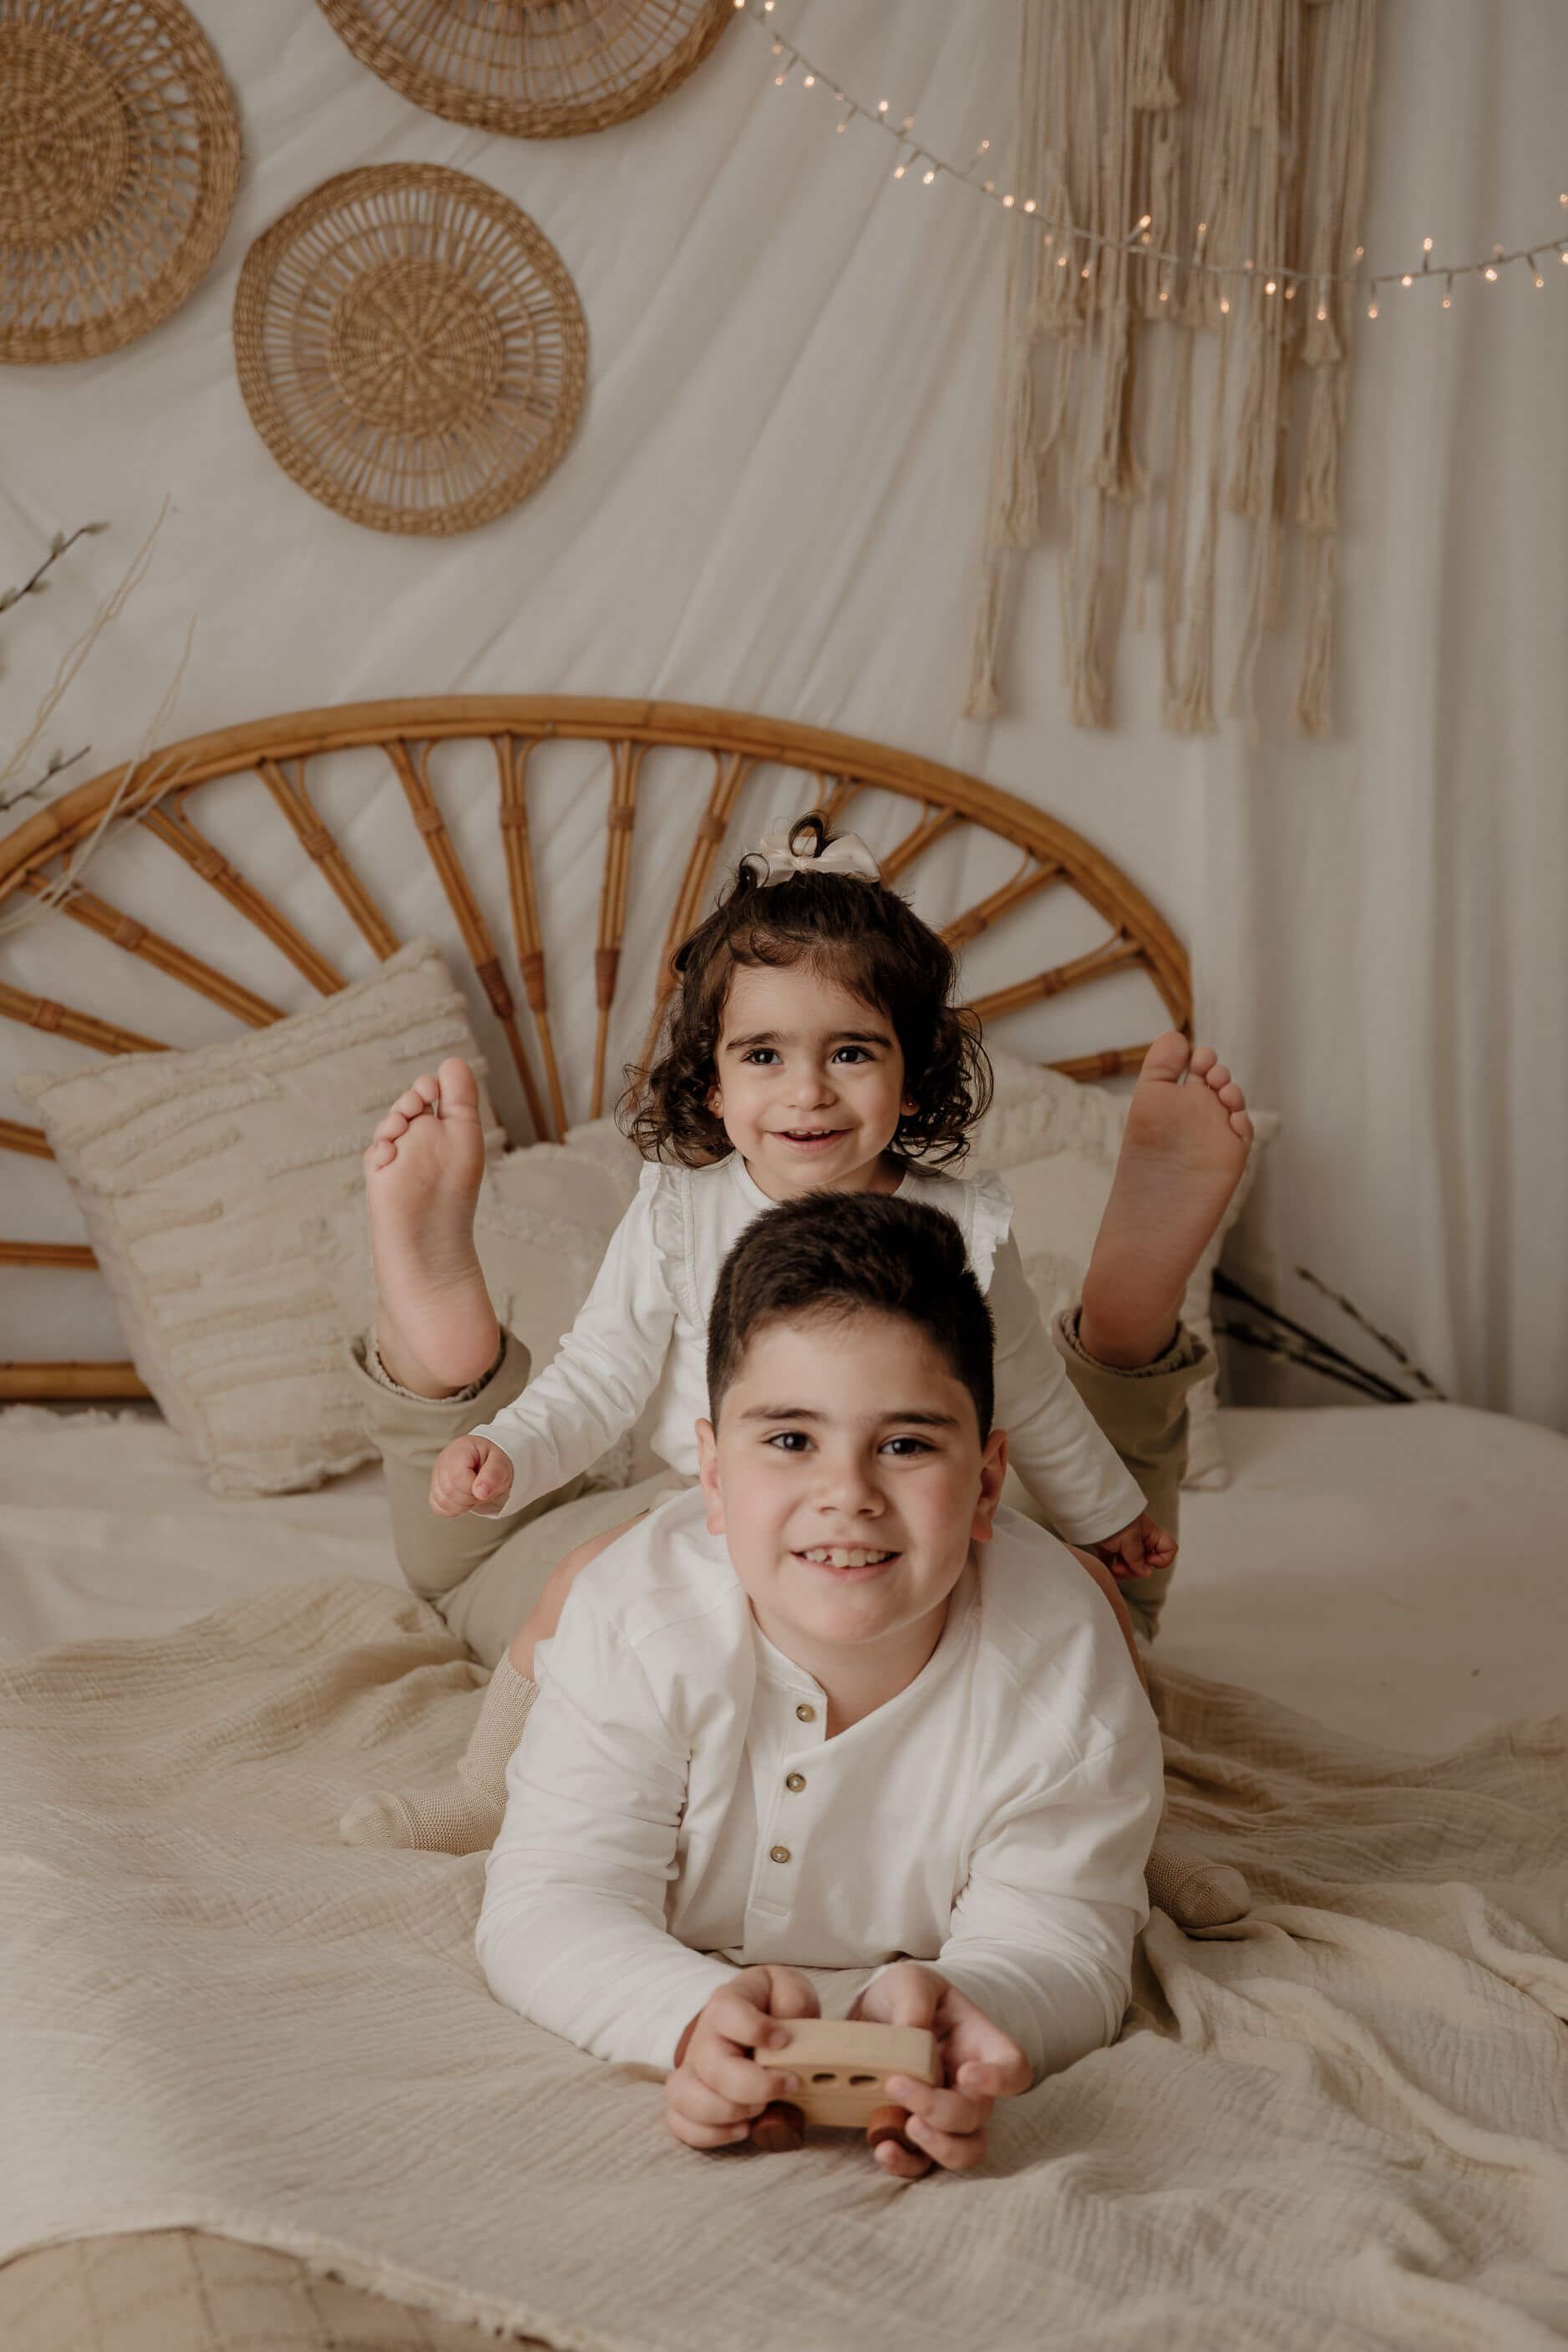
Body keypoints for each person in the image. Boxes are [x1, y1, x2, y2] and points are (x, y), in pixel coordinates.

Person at [342, 815, 1251, 1902]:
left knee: (1088, 1607)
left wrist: (1107, 1517)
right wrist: (506, 1448)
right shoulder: (680, 1213)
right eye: (763, 1054)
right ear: (715, 1087)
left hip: (909, 1497)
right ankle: (493, 1784)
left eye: (852, 1051)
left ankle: (1134, 1831)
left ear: (912, 1079)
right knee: (580, 1580)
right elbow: (598, 1377)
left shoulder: (966, 1226)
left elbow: (1030, 1393)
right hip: (719, 1501)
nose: (807, 1090)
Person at [477, 1191, 1166, 2177]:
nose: (847, 1492)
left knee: (1115, 1620)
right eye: (791, 1439)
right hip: (594, 1605)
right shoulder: (637, 1622)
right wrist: (680, 2017)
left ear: (984, 1483)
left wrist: (970, 2005)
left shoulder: (1054, 1671)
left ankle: (1138, 1325)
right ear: (711, 1478)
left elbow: (1065, 1937)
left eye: (906, 1443)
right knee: (524, 1595)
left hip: (1064, 1638)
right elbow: (549, 1899)